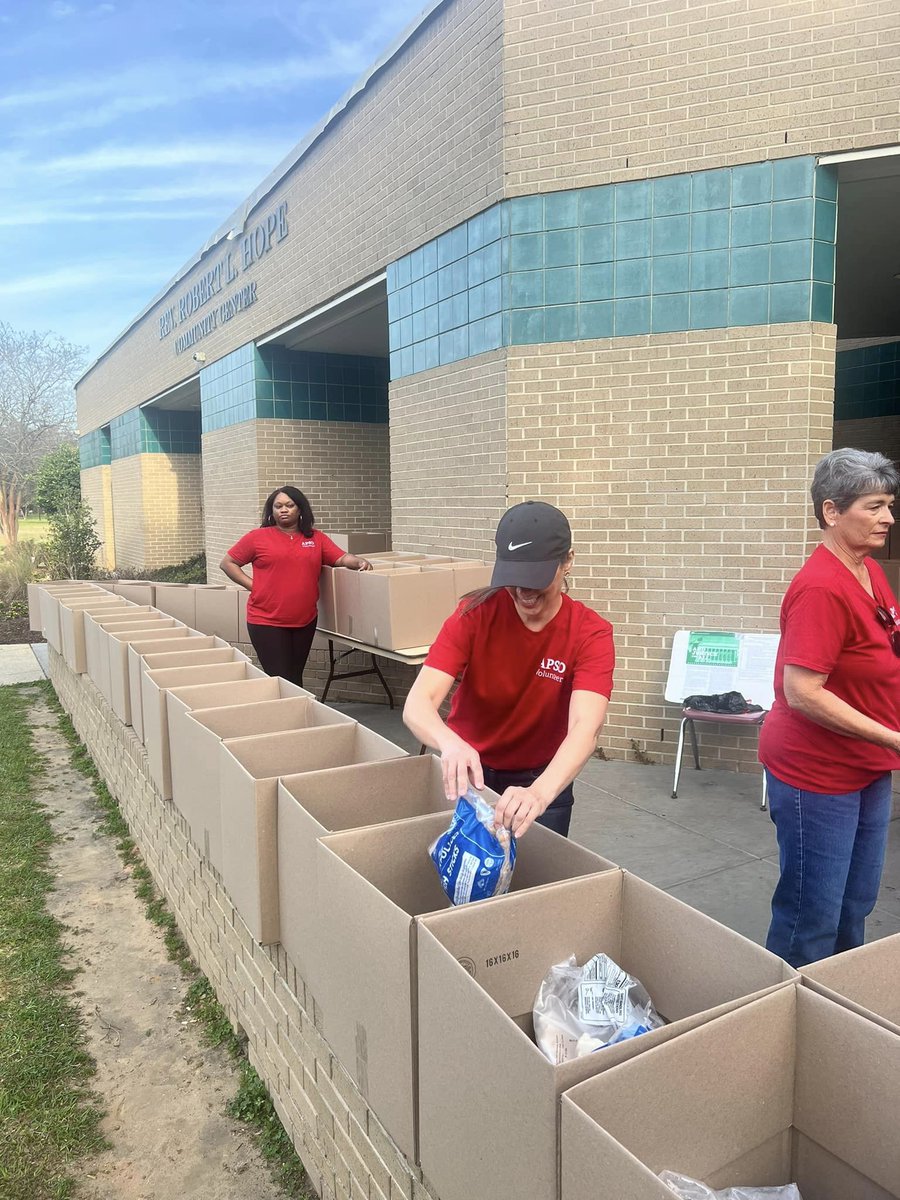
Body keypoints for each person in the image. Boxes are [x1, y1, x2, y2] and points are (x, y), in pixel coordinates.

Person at [759, 448, 900, 967]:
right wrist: (891, 736)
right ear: (832, 512)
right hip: (817, 773)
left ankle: (838, 1003)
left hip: (867, 765)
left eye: (889, 505)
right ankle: (785, 1013)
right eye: (875, 506)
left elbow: (883, 649)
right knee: (810, 913)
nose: (888, 517)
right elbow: (803, 691)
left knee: (856, 902)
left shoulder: (869, 573)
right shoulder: (821, 588)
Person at [403, 501, 614, 837]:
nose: (524, 592)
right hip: (469, 770)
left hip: (541, 776)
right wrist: (449, 743)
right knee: (460, 876)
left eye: (535, 578)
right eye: (515, 578)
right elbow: (419, 703)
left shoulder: (590, 633)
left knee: (535, 880)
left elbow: (585, 728)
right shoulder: (475, 614)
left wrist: (540, 793)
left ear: (567, 562)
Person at [219, 485, 372, 687]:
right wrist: (254, 586)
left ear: (300, 509)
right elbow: (227, 563)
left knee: (295, 677)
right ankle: (285, 716)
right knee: (281, 681)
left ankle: (298, 716)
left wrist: (359, 562)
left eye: (289, 505)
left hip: (304, 621)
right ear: (271, 511)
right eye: (278, 506)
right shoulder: (257, 537)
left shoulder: (316, 538)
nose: (283, 510)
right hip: (267, 621)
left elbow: (341, 557)